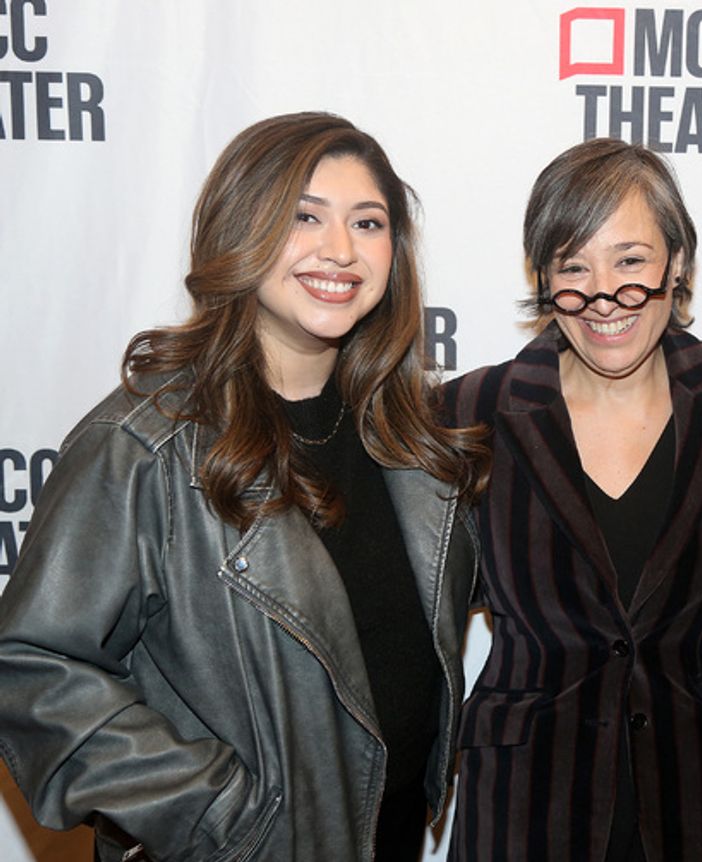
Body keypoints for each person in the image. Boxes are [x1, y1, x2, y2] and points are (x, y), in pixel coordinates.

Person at [0, 112, 486, 861]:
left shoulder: (407, 438)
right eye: (303, 216)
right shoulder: (144, 445)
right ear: (242, 229)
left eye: (368, 222)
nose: (340, 249)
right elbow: (30, 666)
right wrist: (218, 818)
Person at [442, 137, 702, 860]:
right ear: (543, 277)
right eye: (574, 267)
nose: (603, 297)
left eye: (631, 261)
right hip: (524, 809)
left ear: (679, 262)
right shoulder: (467, 413)